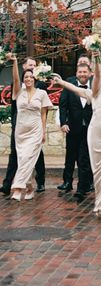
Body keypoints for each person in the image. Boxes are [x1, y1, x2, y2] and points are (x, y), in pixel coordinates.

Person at [54, 56, 101, 224]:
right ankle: (100, 203)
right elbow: (74, 88)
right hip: (96, 137)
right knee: (99, 173)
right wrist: (95, 60)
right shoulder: (95, 92)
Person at [0, 56, 47, 196]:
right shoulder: (19, 90)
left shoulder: (41, 90)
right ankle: (27, 185)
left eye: (34, 66)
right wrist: (14, 62)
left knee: (30, 156)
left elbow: (44, 113)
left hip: (35, 129)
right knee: (20, 156)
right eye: (26, 75)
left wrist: (43, 131)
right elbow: (15, 79)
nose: (29, 78)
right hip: (20, 128)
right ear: (24, 68)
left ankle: (18, 187)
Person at [57, 62, 94, 199]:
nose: (82, 74)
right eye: (80, 72)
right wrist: (63, 122)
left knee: (85, 157)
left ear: (90, 73)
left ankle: (85, 184)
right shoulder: (69, 86)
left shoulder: (94, 87)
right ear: (76, 73)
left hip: (90, 128)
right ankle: (67, 181)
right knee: (71, 155)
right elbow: (63, 105)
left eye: (85, 72)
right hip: (73, 126)